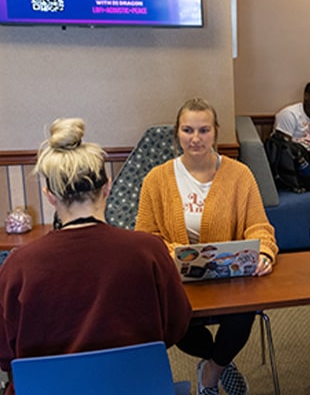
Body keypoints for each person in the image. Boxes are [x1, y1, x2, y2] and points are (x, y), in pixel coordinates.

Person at [0, 118, 191, 395]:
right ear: (107, 187)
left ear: (50, 195)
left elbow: (4, 353)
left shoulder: (19, 266)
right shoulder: (149, 251)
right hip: (138, 387)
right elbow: (177, 325)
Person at [136, 98, 278, 395]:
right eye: (188, 130)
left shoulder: (240, 175)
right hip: (178, 279)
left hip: (229, 279)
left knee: (243, 313)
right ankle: (217, 361)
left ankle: (211, 374)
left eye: (204, 130)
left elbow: (259, 226)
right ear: (177, 132)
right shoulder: (156, 179)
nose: (196, 138)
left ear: (216, 132)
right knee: (176, 326)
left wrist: (264, 251)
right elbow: (145, 237)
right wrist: (177, 254)